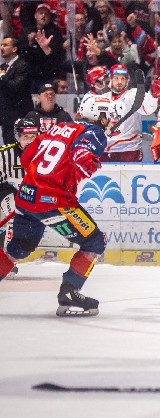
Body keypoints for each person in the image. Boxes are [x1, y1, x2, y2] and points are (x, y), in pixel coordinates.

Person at [0, 95, 112, 316]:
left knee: (18, 248)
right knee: (94, 242)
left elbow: (27, 158)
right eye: (108, 116)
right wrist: (84, 165)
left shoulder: (58, 127)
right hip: (53, 202)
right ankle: (70, 290)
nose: (110, 121)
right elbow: (82, 156)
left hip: (26, 197)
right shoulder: (93, 132)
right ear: (101, 115)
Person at [79, 64, 160, 162]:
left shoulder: (133, 95)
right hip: (104, 150)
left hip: (128, 150)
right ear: (110, 79)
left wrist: (153, 96)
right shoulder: (102, 98)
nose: (119, 82)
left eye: (123, 79)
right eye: (116, 78)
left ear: (127, 81)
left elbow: (148, 109)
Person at [0, 117, 40, 279]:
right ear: (17, 137)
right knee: (13, 217)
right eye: (26, 137)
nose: (30, 142)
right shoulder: (5, 154)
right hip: (7, 191)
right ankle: (6, 261)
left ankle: (6, 260)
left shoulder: (44, 153)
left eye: (33, 137)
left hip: (29, 196)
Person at [0, 37, 34, 146]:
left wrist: (2, 77)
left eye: (5, 45)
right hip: (5, 114)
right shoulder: (2, 67)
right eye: (1, 45)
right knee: (7, 144)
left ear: (14, 49)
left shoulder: (22, 66)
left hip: (18, 114)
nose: (1, 48)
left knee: (19, 146)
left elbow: (16, 86)